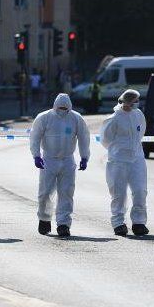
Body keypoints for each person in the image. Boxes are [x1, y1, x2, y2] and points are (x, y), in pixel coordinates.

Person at [30, 93, 91, 237]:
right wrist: (36, 155)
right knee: (45, 192)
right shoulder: (44, 118)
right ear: (54, 106)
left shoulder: (76, 118)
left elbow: (84, 138)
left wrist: (84, 157)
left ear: (69, 107)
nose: (62, 111)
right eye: (60, 108)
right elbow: (35, 137)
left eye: (65, 108)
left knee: (67, 192)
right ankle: (44, 219)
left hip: (68, 160)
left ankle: (63, 224)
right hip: (48, 160)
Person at [100, 89, 149, 236]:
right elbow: (105, 140)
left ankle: (139, 223)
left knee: (140, 190)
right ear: (127, 101)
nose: (136, 103)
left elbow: (141, 132)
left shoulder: (138, 115)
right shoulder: (114, 119)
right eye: (134, 101)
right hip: (119, 161)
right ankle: (118, 223)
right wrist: (119, 151)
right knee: (118, 193)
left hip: (137, 159)